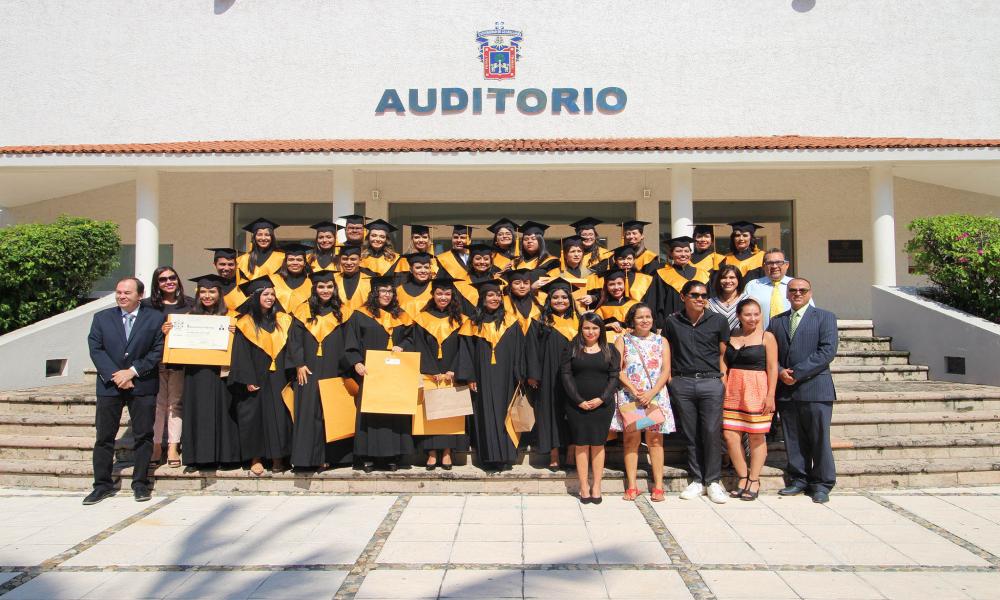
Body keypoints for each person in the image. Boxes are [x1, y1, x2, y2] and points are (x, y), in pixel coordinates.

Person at [84, 277, 165, 504]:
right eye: (119, 292)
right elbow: (96, 349)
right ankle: (102, 485)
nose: (121, 296)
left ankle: (140, 483)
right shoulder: (102, 318)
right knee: (104, 436)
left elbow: (157, 351)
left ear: (140, 295)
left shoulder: (155, 319)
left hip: (142, 384)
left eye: (127, 293)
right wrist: (117, 375)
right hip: (110, 386)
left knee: (143, 435)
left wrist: (132, 372)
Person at [768, 278, 839, 503]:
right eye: (793, 291)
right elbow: (769, 352)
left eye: (802, 290)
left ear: (810, 293)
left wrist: (796, 373)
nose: (797, 293)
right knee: (793, 438)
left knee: (819, 438)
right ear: (787, 295)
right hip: (787, 391)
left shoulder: (825, 318)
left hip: (816, 387)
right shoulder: (777, 321)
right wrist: (779, 371)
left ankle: (822, 484)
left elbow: (827, 351)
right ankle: (799, 479)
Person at [663, 280, 731, 504]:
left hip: (711, 382)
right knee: (691, 433)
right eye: (694, 295)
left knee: (711, 431)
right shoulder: (672, 322)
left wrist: (722, 380)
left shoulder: (718, 321)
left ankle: (713, 481)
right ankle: (697, 479)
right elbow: (668, 351)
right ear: (683, 297)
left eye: (703, 295)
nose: (700, 299)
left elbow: (722, 354)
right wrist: (672, 380)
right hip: (683, 383)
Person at [343, 276, 414, 472]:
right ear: (374, 293)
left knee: (393, 412)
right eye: (382, 291)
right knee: (370, 414)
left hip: (394, 373)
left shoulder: (401, 315)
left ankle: (393, 456)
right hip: (370, 372)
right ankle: (368, 457)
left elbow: (411, 338)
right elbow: (351, 340)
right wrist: (356, 362)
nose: (386, 295)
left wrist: (402, 345)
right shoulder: (361, 315)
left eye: (390, 291)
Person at [458, 278, 525, 472]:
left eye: (497, 295)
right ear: (482, 298)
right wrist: (469, 376)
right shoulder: (472, 323)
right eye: (490, 295)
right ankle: (488, 457)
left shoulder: (511, 322)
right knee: (485, 412)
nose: (495, 298)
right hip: (481, 376)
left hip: (506, 377)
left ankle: (506, 455)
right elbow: (466, 352)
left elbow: (520, 349)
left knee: (506, 413)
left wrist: (519, 373)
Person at [229, 276, 294, 475]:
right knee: (254, 417)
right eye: (265, 294)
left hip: (278, 374)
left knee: (279, 415)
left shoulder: (283, 320)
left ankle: (278, 457)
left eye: (273, 294)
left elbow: (291, 347)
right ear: (255, 296)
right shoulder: (245, 322)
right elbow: (240, 352)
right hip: (255, 375)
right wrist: (247, 378)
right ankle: (255, 458)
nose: (270, 298)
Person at [287, 270, 351, 470]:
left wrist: (346, 368)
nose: (325, 290)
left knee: (331, 412)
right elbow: (294, 340)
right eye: (321, 287)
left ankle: (332, 457)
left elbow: (350, 341)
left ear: (335, 288)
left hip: (334, 367)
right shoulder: (302, 311)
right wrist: (299, 363)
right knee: (308, 411)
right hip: (309, 368)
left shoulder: (343, 311)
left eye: (329, 287)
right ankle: (308, 459)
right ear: (314, 288)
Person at [612, 303, 675, 502]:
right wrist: (634, 390)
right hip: (632, 397)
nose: (645, 320)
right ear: (632, 320)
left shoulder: (661, 340)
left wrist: (651, 392)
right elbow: (618, 369)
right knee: (631, 440)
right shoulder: (622, 340)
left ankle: (658, 486)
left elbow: (666, 370)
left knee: (655, 440)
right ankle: (632, 485)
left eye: (648, 316)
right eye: (640, 317)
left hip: (655, 397)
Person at [179, 274, 241, 469]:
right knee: (198, 411)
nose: (207, 295)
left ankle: (226, 457)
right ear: (198, 293)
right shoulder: (188, 318)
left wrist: (234, 334)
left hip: (222, 372)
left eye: (212, 291)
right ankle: (198, 457)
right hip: (196, 373)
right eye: (203, 291)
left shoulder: (231, 317)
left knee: (224, 411)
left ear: (219, 294)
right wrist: (171, 332)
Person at [410, 274, 469, 470]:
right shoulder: (421, 318)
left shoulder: (462, 320)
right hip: (430, 373)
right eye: (439, 293)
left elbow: (464, 348)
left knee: (450, 414)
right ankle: (432, 453)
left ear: (452, 296)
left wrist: (454, 369)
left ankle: (447, 453)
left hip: (452, 372)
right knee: (429, 415)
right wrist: (431, 369)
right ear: (432, 294)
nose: (443, 297)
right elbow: (418, 345)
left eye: (447, 294)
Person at [561, 313, 620, 504]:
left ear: (601, 329)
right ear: (581, 329)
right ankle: (584, 486)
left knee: (598, 444)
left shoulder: (610, 349)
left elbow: (614, 377)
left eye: (595, 328)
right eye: (587, 328)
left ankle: (597, 486)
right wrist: (578, 400)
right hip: (577, 405)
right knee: (581, 444)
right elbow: (566, 375)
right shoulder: (572, 348)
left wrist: (602, 399)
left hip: (602, 405)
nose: (591, 331)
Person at [723, 298, 778, 501]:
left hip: (757, 386)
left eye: (756, 314)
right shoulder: (732, 335)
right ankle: (743, 476)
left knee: (756, 436)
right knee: (730, 435)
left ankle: (754, 479)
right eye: (747, 314)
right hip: (733, 387)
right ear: (738, 316)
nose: (752, 318)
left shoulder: (767, 337)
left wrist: (770, 394)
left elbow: (772, 367)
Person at [526, 277, 580, 470]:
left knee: (573, 412)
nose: (560, 300)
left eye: (564, 297)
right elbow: (531, 349)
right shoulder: (541, 321)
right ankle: (554, 453)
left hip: (575, 375)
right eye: (555, 297)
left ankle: (572, 453)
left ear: (570, 299)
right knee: (549, 413)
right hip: (548, 375)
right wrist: (533, 374)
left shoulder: (580, 321)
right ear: (549, 300)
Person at [145, 266, 194, 467]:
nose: (168, 282)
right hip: (156, 361)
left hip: (179, 361)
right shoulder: (147, 306)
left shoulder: (189, 304)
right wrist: (160, 331)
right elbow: (142, 333)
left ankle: (173, 446)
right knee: (158, 405)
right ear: (157, 283)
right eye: (163, 279)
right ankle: (157, 445)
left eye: (172, 278)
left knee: (175, 404)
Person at [744, 248, 814, 329]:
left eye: (779, 262)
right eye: (769, 263)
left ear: (787, 265)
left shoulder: (797, 286)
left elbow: (810, 312)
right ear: (763, 266)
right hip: (762, 338)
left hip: (793, 336)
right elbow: (743, 313)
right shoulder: (752, 286)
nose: (774, 266)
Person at [655, 236, 711, 330]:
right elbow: (657, 303)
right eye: (678, 251)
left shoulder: (703, 274)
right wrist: (660, 326)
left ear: (690, 253)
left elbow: (709, 301)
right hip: (673, 326)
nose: (683, 254)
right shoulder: (662, 275)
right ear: (671, 254)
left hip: (700, 325)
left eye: (686, 251)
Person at [455, 243, 501, 315]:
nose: (482, 262)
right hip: (468, 324)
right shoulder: (461, 283)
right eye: (478, 258)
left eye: (486, 259)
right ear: (471, 260)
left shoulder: (497, 282)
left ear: (491, 261)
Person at [593, 269, 639, 340]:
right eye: (611, 284)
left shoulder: (635, 305)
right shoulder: (602, 309)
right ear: (606, 287)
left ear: (625, 284)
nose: (616, 287)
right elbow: (592, 329)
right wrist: (606, 326)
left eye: (619, 283)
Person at [236, 217, 285, 283]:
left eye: (267, 235)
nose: (263, 238)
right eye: (259, 234)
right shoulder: (242, 260)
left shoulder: (282, 258)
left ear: (272, 237)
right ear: (254, 237)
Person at [269, 243, 314, 314]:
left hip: (304, 323)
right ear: (286, 262)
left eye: (299, 260)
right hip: (277, 322)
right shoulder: (273, 280)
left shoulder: (312, 282)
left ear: (305, 263)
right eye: (291, 259)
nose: (295, 263)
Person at [333, 245, 371, 320]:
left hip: (363, 322)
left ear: (360, 260)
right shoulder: (333, 279)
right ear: (340, 260)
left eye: (353, 259)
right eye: (345, 259)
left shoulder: (369, 280)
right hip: (339, 323)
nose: (348, 262)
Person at [707, 265, 749, 330]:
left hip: (741, 339)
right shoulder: (710, 304)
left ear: (738, 279)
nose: (728, 281)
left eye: (732, 277)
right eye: (724, 277)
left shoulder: (748, 301)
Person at [206, 247, 246, 314]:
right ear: (215, 264)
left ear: (236, 265)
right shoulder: (209, 285)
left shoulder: (245, 285)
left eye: (230, 264)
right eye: (222, 264)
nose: (226, 268)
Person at [395, 251, 435, 318]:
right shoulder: (399, 290)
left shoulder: (435, 288)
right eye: (418, 268)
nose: (423, 271)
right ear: (411, 269)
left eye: (426, 267)